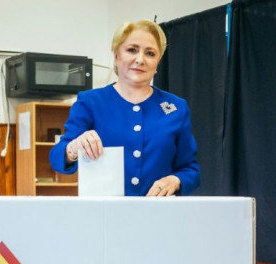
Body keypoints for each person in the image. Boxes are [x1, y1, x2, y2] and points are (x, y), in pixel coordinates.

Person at [49, 20, 201, 197]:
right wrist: (74, 148)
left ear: (158, 62)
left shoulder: (176, 107)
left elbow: (190, 169)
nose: (140, 59)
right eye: (132, 50)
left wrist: (176, 180)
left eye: (150, 53)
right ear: (116, 55)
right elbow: (56, 156)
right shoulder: (90, 101)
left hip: (158, 215)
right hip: (104, 216)